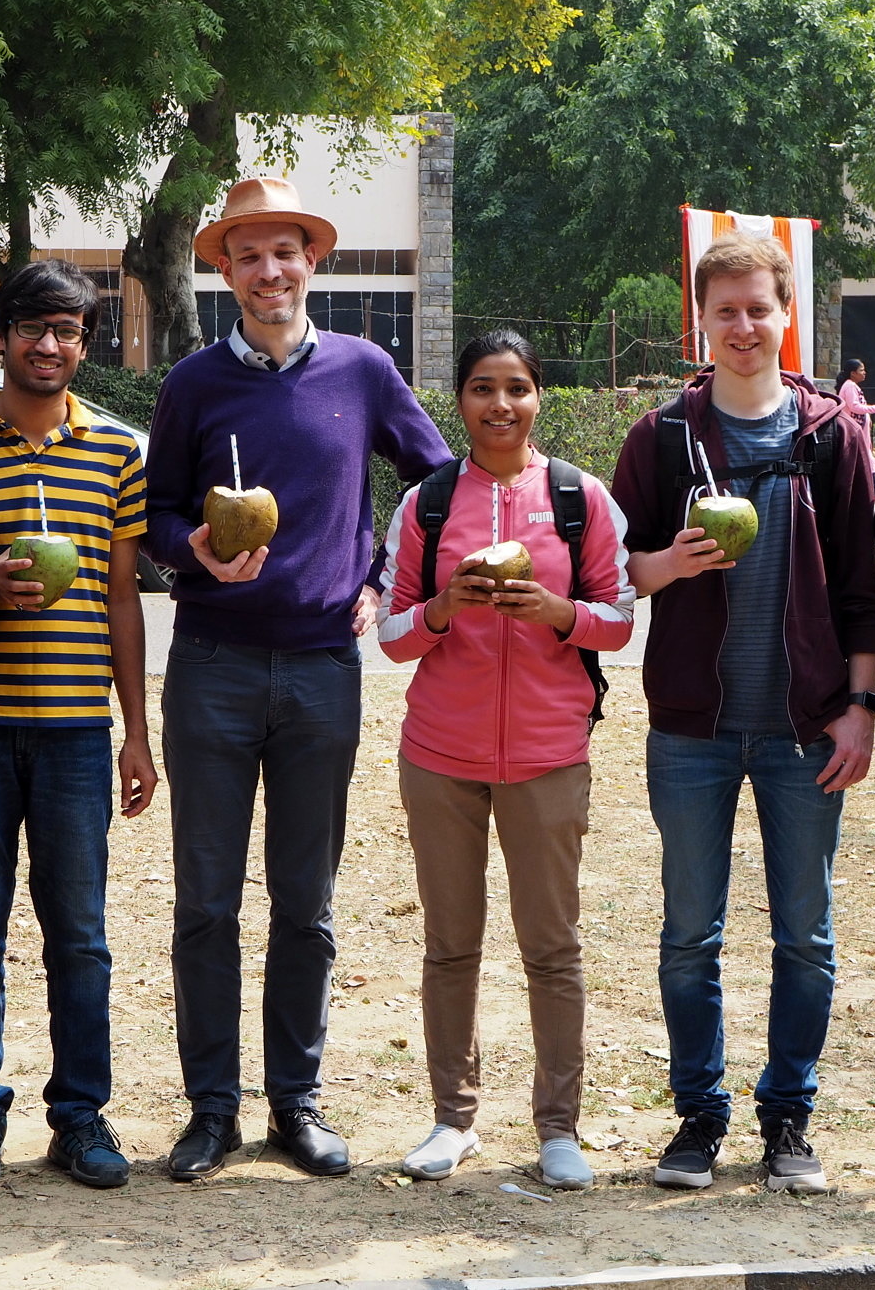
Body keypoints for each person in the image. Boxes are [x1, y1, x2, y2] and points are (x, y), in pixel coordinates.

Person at [145, 176, 453, 1181]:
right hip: (211, 668)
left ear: (310, 261)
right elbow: (150, 520)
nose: (267, 270)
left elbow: (434, 483)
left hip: (323, 666)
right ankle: (209, 1109)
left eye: (284, 251)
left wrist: (378, 578)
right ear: (223, 268)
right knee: (204, 902)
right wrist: (193, 545)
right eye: (247, 254)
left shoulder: (363, 370)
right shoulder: (192, 384)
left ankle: (296, 1101)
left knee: (304, 904)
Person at [610, 232, 875, 1196]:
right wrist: (667, 564)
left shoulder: (830, 436)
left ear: (786, 315)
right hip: (692, 728)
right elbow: (613, 575)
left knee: (804, 933)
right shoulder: (661, 439)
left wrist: (860, 707)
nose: (742, 326)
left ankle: (788, 1119)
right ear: (702, 319)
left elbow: (861, 589)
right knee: (692, 932)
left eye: (758, 308)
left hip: (806, 726)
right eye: (723, 310)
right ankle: (698, 1116)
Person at [0, 260, 157, 1193]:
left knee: (79, 935)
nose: (48, 347)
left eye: (68, 331)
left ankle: (81, 1115)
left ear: (86, 343)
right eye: (31, 329)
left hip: (74, 736)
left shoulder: (116, 454)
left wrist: (136, 731)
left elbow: (122, 599)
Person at [378, 329, 635, 1189]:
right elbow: (391, 635)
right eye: (483, 388)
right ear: (460, 400)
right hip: (441, 756)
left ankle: (558, 1128)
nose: (501, 405)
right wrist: (445, 606)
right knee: (451, 945)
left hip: (548, 755)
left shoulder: (578, 498)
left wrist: (557, 613)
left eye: (517, 388)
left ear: (538, 399)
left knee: (551, 948)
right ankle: (453, 1118)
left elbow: (619, 619)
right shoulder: (426, 504)